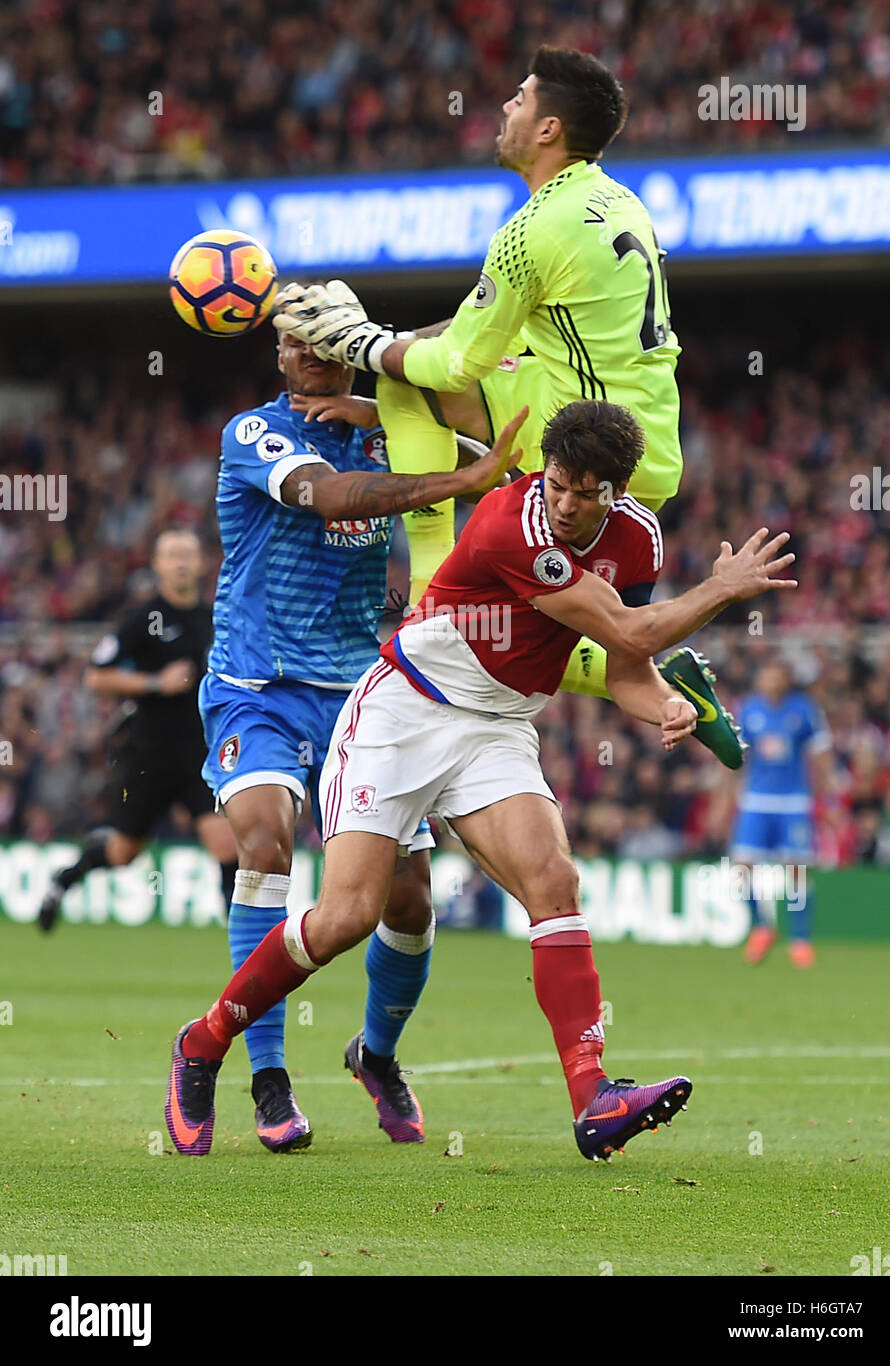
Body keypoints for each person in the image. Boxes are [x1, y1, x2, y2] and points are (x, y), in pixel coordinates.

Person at [165, 400, 797, 1163]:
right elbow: (631, 630)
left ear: (617, 492)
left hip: (496, 726)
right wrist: (721, 589)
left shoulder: (636, 540)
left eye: (585, 492)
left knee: (554, 883)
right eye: (557, 483)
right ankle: (203, 1044)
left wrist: (660, 701)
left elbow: (627, 663)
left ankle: (593, 1100)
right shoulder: (511, 522)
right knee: (346, 916)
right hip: (406, 710)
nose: (564, 504)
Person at [273, 44, 745, 771]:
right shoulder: (616, 200)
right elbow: (483, 338)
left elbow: (457, 361)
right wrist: (388, 349)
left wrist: (365, 347)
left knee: (408, 389)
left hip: (582, 440)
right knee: (531, 619)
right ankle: (663, 680)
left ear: (549, 128)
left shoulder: (528, 232)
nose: (504, 108)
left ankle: (430, 597)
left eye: (519, 98)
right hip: (643, 432)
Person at [190, 324, 521, 1154]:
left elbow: (508, 459)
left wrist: (394, 396)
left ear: (351, 349)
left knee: (405, 900)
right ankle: (266, 1077)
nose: (311, 356)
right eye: (295, 343)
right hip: (257, 685)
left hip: (364, 698)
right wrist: (462, 476)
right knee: (264, 847)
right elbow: (332, 497)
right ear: (276, 357)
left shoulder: (389, 424)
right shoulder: (254, 433)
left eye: (328, 341)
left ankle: (376, 1055)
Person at [38, 529, 238, 931]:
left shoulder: (214, 618)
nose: (181, 561)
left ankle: (242, 946)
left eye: (188, 553)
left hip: (200, 755)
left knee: (227, 849)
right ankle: (66, 877)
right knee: (123, 852)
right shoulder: (146, 618)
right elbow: (97, 677)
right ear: (158, 565)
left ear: (201, 564)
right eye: (172, 554)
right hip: (149, 755)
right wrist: (155, 683)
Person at [725, 658, 835, 968]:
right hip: (755, 801)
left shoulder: (804, 710)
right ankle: (762, 926)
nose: (771, 682)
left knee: (797, 871)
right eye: (766, 676)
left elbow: (821, 754)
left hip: (793, 802)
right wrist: (723, 802)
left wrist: (830, 800)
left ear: (787, 680)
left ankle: (800, 940)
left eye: (777, 677)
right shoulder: (748, 709)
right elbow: (733, 756)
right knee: (742, 868)